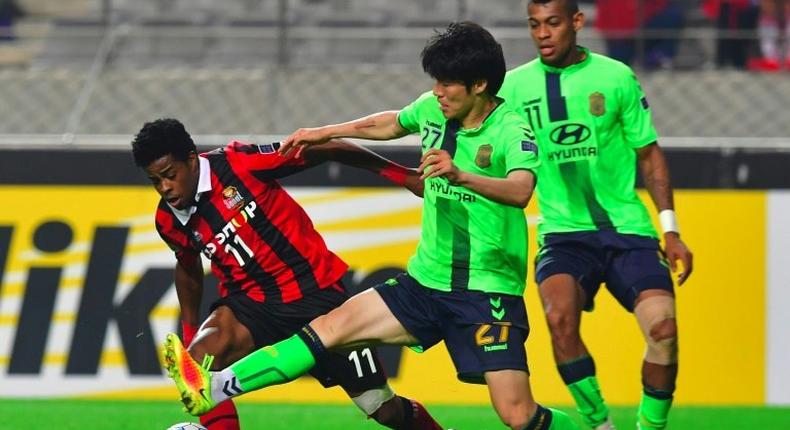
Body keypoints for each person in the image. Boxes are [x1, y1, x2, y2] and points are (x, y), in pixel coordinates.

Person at [162, 22, 580, 430]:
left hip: (487, 291)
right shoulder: (434, 110)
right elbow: (392, 122)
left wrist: (460, 175)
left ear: (479, 84)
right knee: (326, 328)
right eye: (436, 81)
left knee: (518, 416)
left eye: (448, 83)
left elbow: (521, 190)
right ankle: (215, 389)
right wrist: (324, 132)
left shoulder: (512, 129)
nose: (438, 91)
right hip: (425, 282)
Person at [131, 118, 441, 430]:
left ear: (191, 158)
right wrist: (189, 332)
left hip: (316, 297)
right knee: (198, 368)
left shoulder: (239, 164)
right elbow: (187, 269)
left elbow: (327, 148)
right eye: (155, 181)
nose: (165, 188)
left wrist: (402, 176)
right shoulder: (169, 221)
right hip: (251, 306)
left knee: (383, 409)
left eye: (170, 176)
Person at [498, 1, 694, 429]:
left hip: (629, 230)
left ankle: (650, 426)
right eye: (535, 25)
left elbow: (649, 153)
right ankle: (599, 423)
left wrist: (671, 230)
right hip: (563, 234)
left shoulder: (615, 76)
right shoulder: (513, 87)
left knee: (664, 332)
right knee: (559, 320)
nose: (543, 34)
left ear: (576, 23)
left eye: (552, 23)